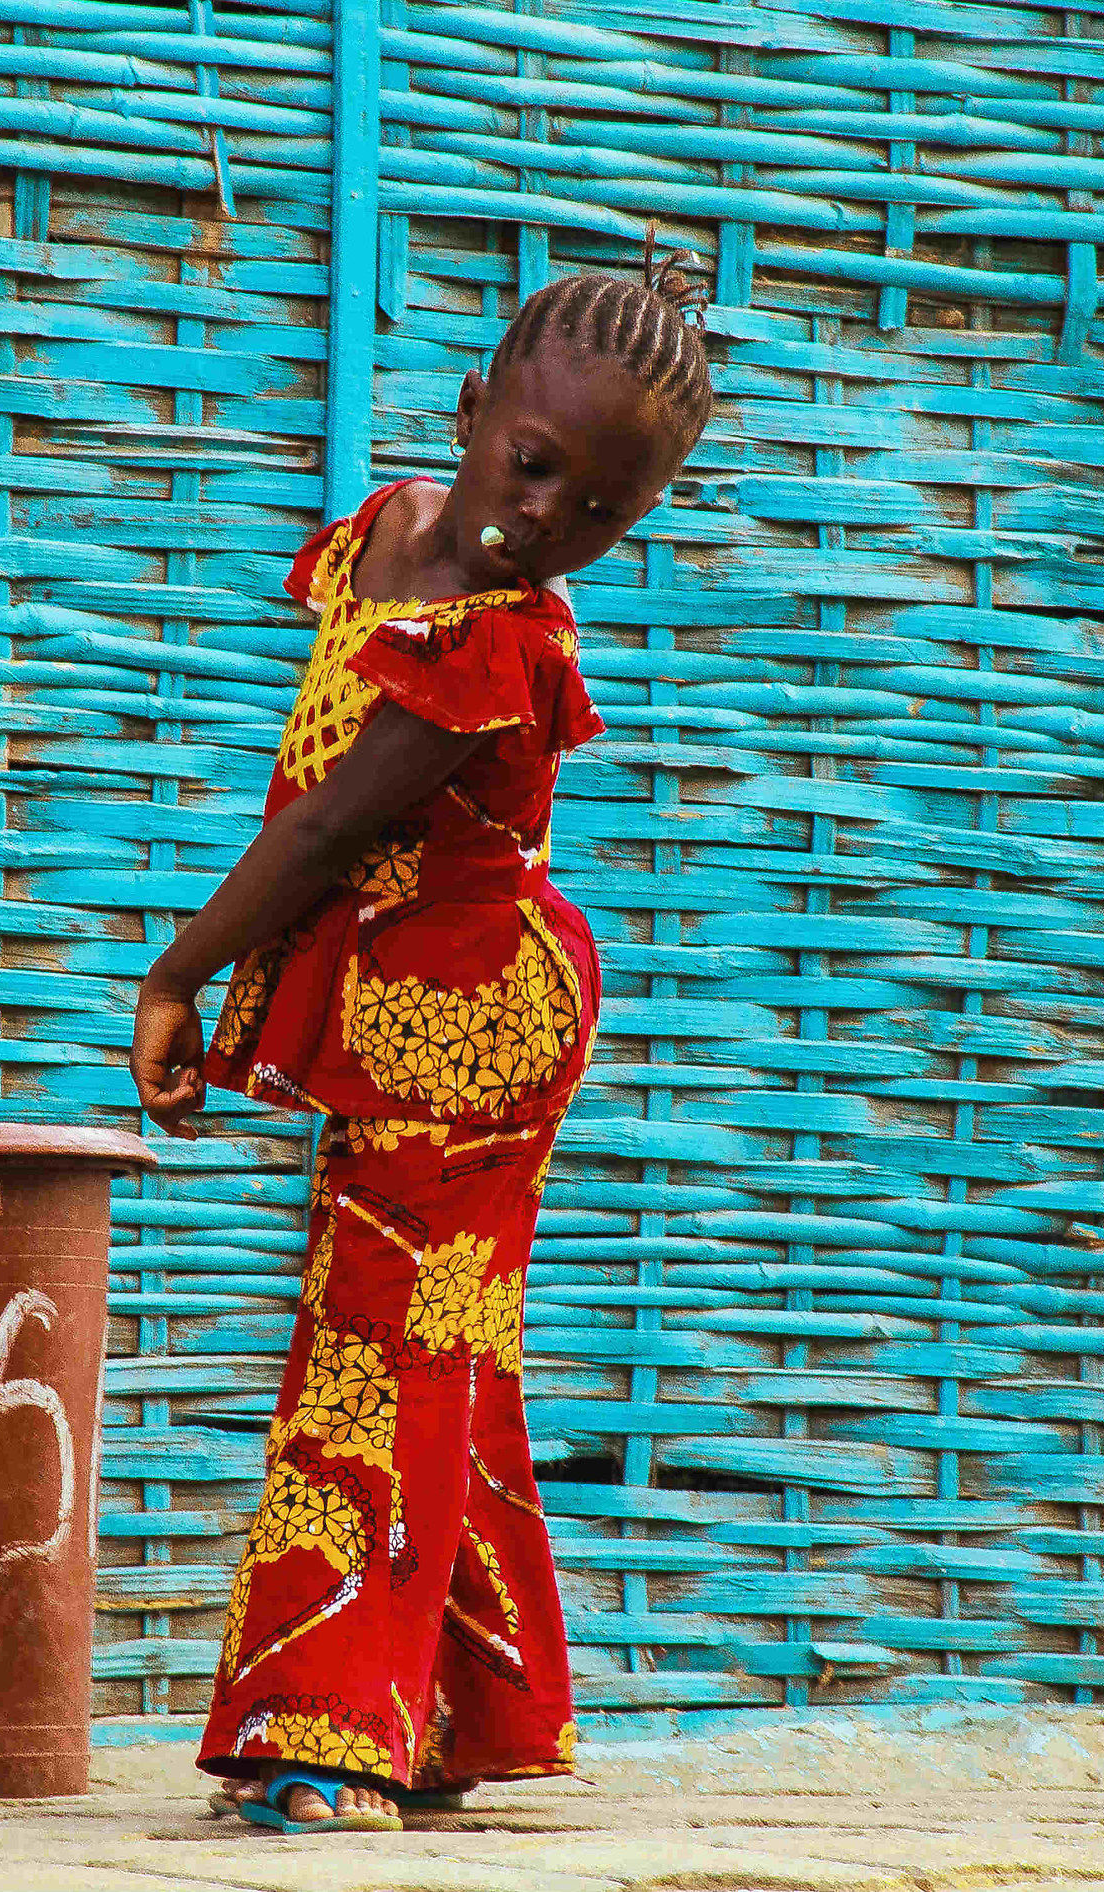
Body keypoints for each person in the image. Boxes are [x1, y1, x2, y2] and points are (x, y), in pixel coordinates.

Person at [127, 250, 715, 1836]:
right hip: (399, 1007)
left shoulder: (498, 643)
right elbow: (315, 810)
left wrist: (178, 976)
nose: (548, 522)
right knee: (426, 1337)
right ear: (470, 414)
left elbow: (326, 825)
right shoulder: (383, 536)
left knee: (385, 1341)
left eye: (601, 513)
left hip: (474, 1030)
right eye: (533, 468)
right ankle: (458, 1712)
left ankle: (328, 1727)